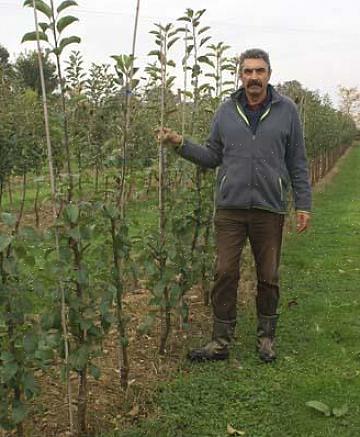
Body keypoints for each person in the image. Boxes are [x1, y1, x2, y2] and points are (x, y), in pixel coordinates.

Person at [157, 48, 311, 363]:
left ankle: (266, 338)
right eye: (248, 71)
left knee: (268, 275)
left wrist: (303, 203)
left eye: (260, 71)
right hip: (230, 209)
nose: (254, 77)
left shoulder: (287, 111)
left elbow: (297, 160)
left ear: (269, 74)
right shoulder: (225, 111)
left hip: (269, 208)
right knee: (225, 272)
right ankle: (220, 341)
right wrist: (180, 143)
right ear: (240, 75)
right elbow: (213, 156)